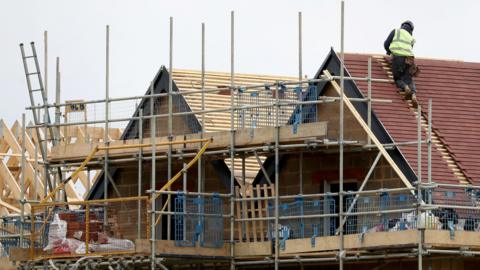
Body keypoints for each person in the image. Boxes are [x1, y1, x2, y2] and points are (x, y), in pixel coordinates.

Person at [384, 20, 418, 107]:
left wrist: (388, 52)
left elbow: (386, 44)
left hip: (398, 57)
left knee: (398, 78)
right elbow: (409, 48)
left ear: (402, 26)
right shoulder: (411, 38)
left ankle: (405, 87)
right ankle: (413, 94)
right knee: (409, 78)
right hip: (410, 59)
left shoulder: (396, 31)